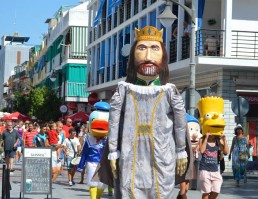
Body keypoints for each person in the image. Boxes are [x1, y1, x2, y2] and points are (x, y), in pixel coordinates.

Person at [95, 26, 190, 198]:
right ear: (133, 55)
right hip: (129, 156)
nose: (148, 56)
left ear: (163, 55)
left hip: (162, 157)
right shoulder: (124, 90)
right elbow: (114, 122)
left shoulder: (169, 91)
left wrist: (181, 150)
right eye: (142, 48)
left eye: (154, 48)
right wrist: (113, 151)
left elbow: (180, 122)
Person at [199, 132, 229, 199]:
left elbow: (226, 152)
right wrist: (206, 137)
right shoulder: (202, 139)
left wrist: (224, 140)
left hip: (215, 170)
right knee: (206, 192)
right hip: (204, 169)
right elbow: (201, 151)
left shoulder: (218, 140)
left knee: (216, 191)